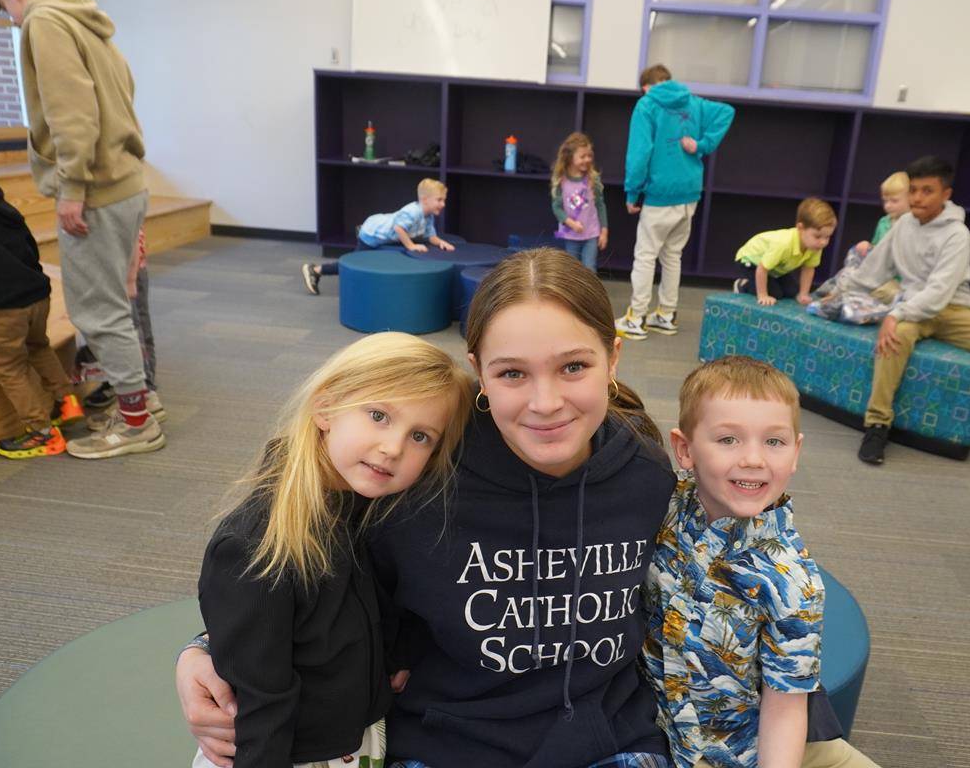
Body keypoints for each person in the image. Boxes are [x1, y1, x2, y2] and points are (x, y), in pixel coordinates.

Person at [181, 248, 678, 768]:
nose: (546, 402)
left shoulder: (648, 476)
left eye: (573, 366)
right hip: (446, 744)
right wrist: (200, 649)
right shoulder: (419, 474)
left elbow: (707, 593)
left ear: (613, 358)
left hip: (610, 744)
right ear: (478, 373)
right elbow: (302, 574)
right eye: (512, 374)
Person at [194, 332, 472, 768]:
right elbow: (260, 703)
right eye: (378, 415)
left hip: (353, 741)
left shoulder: (373, 507)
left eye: (420, 436)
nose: (393, 447)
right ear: (325, 407)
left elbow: (393, 596)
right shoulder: (257, 547)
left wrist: (397, 653)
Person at [645, 356, 879, 768]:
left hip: (738, 751)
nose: (754, 459)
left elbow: (786, 707)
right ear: (685, 449)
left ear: (795, 452)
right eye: (728, 440)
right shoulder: (666, 503)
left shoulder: (791, 582)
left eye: (774, 441)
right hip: (654, 729)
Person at [0, 0, 163, 459]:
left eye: (7, 10)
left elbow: (71, 111)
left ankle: (137, 425)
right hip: (125, 181)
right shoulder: (89, 22)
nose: (13, 21)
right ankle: (142, 405)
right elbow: (122, 97)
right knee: (116, 305)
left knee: (97, 312)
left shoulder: (44, 22)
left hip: (97, 190)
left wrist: (73, 187)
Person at [837, 156, 970, 467]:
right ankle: (877, 424)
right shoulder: (902, 226)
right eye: (913, 190)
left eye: (927, 191)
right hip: (912, 305)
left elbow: (938, 293)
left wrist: (895, 315)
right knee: (892, 341)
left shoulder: (957, 234)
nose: (918, 198)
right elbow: (874, 268)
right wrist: (839, 289)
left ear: (945, 195)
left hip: (952, 308)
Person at [0, 170, 84, 459]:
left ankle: (41, 433)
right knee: (38, 346)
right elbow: (28, 242)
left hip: (3, 306)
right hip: (36, 293)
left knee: (8, 366)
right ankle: (67, 402)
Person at [616, 64, 734, 340]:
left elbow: (639, 152)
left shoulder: (647, 105)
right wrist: (702, 144)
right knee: (672, 256)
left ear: (646, 87)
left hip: (661, 195)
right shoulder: (693, 102)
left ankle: (637, 316)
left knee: (645, 256)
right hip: (689, 193)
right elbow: (728, 112)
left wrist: (632, 193)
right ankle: (666, 314)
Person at [302, 178, 453, 295]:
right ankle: (315, 270)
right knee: (355, 263)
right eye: (439, 200)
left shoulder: (428, 216)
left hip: (384, 230)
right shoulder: (413, 212)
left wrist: (441, 243)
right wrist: (411, 246)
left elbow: (430, 235)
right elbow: (399, 228)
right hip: (371, 233)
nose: (443, 204)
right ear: (425, 199)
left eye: (444, 200)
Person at [84, 228, 166, 427]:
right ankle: (142, 392)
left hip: (120, 261)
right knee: (136, 326)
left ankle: (142, 397)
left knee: (127, 328)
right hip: (125, 258)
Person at [731, 198, 836, 306]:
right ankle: (743, 285)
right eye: (817, 236)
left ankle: (770, 284)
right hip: (750, 261)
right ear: (800, 228)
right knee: (775, 294)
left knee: (792, 292)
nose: (823, 242)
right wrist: (762, 295)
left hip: (774, 267)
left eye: (827, 237)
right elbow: (762, 269)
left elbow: (808, 268)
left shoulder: (815, 246)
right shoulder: (783, 244)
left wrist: (803, 294)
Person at [550, 131, 608, 272]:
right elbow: (556, 207)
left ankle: (589, 293)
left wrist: (604, 231)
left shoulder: (593, 179)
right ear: (570, 157)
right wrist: (571, 223)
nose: (587, 159)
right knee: (572, 269)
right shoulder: (561, 181)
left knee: (589, 268)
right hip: (571, 234)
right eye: (582, 156)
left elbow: (600, 205)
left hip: (591, 234)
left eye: (589, 156)